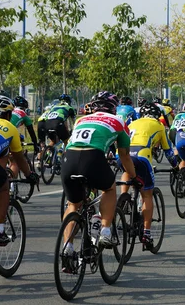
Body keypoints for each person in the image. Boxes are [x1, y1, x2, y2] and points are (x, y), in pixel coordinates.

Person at [61, 91, 139, 258]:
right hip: (92, 158)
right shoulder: (119, 120)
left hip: (69, 159)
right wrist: (133, 177)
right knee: (109, 189)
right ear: (113, 108)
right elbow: (124, 156)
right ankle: (105, 230)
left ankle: (67, 248)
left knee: (73, 205)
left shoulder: (80, 119)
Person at [0, 96, 39, 245]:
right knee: (3, 188)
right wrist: (30, 175)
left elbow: (2, 157)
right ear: (8, 114)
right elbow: (19, 159)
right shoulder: (10, 128)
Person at [124, 102, 178, 248]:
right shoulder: (159, 125)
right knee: (147, 194)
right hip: (142, 156)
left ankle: (124, 201)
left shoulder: (133, 123)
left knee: (127, 171)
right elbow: (168, 151)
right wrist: (175, 166)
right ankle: (146, 234)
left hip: (123, 156)